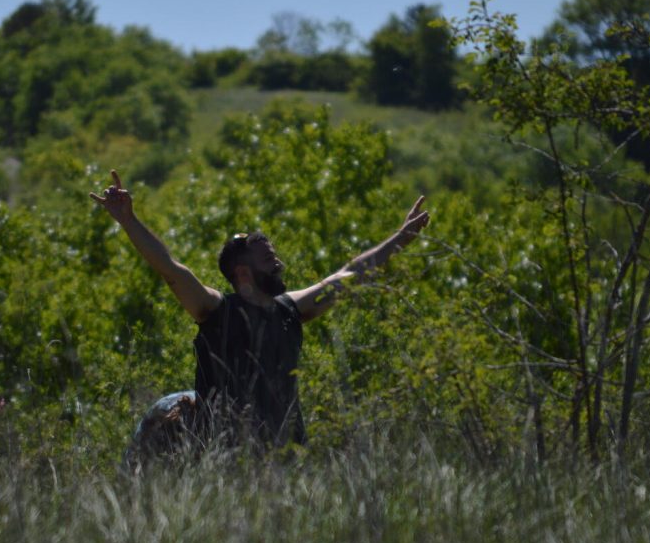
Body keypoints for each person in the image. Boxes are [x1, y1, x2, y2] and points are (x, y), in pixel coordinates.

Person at [91, 170, 429, 462]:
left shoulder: (290, 310)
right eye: (269, 260)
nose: (278, 263)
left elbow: (349, 274)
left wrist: (400, 239)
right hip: (223, 459)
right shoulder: (215, 310)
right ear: (243, 272)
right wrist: (129, 221)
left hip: (284, 457)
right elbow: (170, 269)